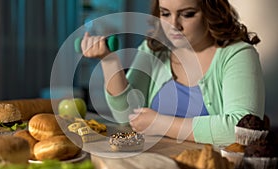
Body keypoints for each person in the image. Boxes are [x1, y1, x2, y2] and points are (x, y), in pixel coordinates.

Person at [81, 0, 265, 145]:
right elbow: (127, 117)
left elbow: (242, 130)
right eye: (165, 13)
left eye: (187, 14)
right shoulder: (154, 50)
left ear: (211, 12)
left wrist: (161, 124)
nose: (173, 25)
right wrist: (109, 60)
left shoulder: (237, 55)